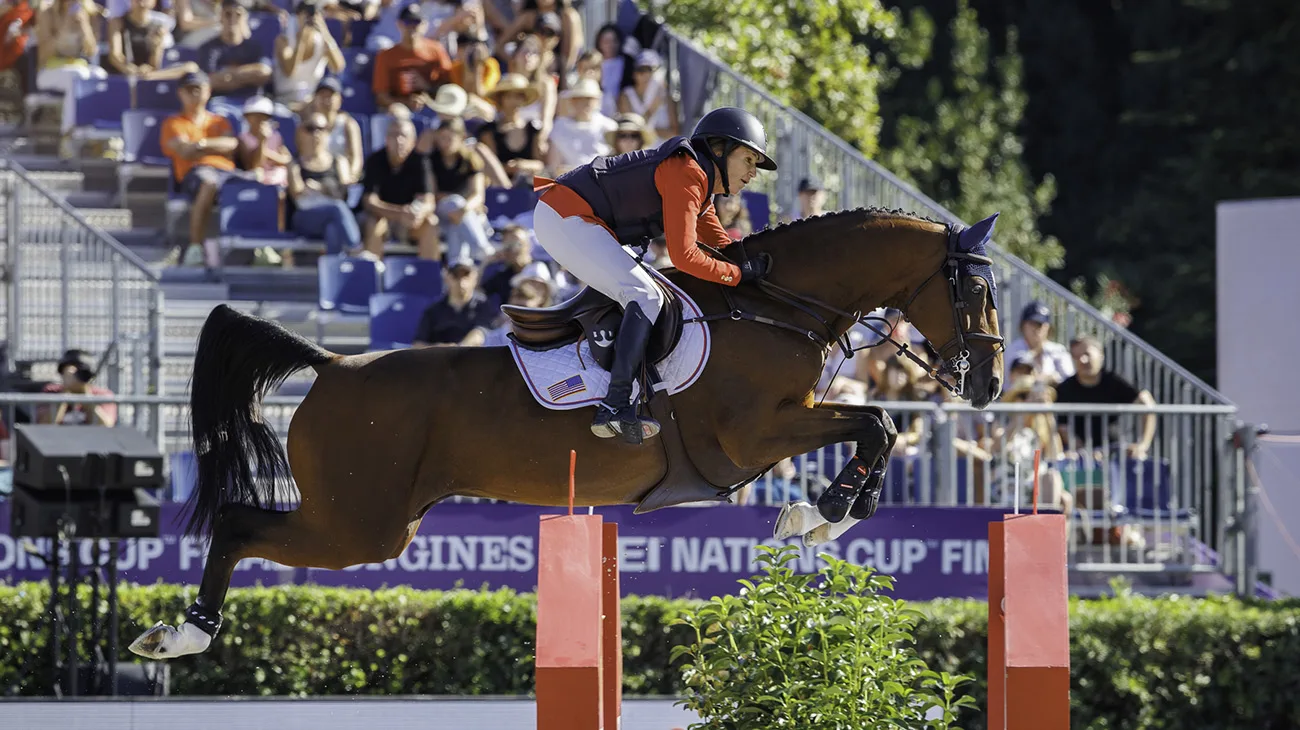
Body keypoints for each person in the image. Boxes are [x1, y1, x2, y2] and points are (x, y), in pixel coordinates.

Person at [532, 106, 777, 444]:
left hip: (574, 218)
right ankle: (616, 404)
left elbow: (720, 245)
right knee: (645, 295)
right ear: (719, 149)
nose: (753, 173)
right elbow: (685, 256)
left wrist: (754, 266)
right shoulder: (687, 172)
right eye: (749, 160)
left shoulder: (700, 183)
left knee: (644, 292)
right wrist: (738, 275)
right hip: (566, 215)